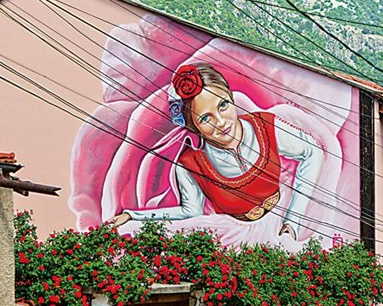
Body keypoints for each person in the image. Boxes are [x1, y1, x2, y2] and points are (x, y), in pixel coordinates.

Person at [108, 62, 324, 239]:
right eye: (205, 118)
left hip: (287, 223)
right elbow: (189, 212)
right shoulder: (191, 165)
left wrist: (292, 222)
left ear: (230, 97)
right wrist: (133, 216)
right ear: (193, 125)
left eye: (223, 106)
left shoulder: (265, 127)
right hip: (239, 238)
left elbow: (313, 151)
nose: (221, 122)